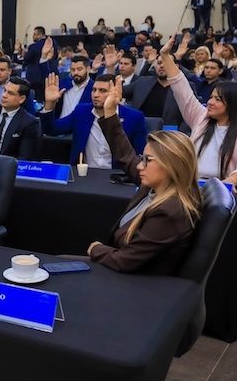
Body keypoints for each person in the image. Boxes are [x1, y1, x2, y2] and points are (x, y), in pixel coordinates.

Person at [77, 77, 203, 274]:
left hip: (134, 280)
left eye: (147, 160)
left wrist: (96, 249)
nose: (140, 166)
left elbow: (125, 261)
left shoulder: (170, 212)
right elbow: (126, 155)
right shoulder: (156, 185)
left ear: (171, 166)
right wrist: (110, 113)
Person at [160, 36, 237, 190]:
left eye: (218, 99)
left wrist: (230, 182)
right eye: (211, 97)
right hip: (190, 185)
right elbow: (181, 88)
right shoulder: (201, 118)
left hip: (222, 189)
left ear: (233, 104)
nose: (210, 102)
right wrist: (165, 55)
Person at [42, 74, 147, 168]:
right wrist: (49, 104)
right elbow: (52, 129)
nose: (96, 94)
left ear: (116, 93)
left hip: (117, 176)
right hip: (84, 173)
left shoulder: (134, 117)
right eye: (94, 90)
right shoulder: (82, 112)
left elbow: (140, 156)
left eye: (102, 91)